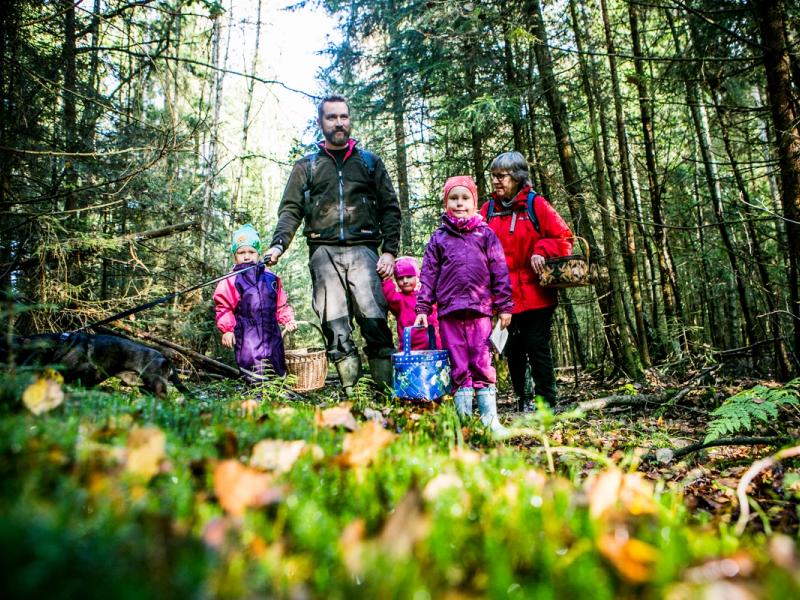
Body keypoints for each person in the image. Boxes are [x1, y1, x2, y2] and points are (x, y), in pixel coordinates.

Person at [264, 95, 401, 396]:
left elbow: (390, 208)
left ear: (349, 120)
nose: (339, 123)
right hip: (323, 253)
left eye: (343, 116)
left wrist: (390, 250)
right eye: (331, 117)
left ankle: (384, 396)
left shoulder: (369, 163)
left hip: (365, 251)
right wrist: (277, 246)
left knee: (375, 323)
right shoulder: (307, 166)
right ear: (320, 123)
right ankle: (356, 395)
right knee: (336, 328)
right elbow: (290, 210)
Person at [414, 176, 513, 437]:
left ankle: (490, 420)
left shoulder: (486, 234)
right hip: (449, 311)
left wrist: (504, 306)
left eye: (465, 198)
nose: (459, 203)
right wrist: (422, 308)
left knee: (482, 361)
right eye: (453, 199)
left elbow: (499, 271)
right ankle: (464, 421)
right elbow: (428, 274)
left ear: (474, 202)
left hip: (481, 310)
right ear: (446, 203)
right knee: (458, 365)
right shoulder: (438, 238)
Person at [479, 152, 572, 411]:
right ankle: (523, 400)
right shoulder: (487, 211)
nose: (496, 182)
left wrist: (542, 248)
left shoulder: (536, 205)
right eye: (493, 176)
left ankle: (546, 403)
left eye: (501, 176)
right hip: (504, 298)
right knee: (513, 351)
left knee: (537, 347)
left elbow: (564, 239)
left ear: (518, 177)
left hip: (536, 295)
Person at [214, 224, 298, 383]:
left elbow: (281, 304)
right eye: (241, 252)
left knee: (277, 364)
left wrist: (288, 319)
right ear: (235, 256)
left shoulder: (271, 278)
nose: (246, 256)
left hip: (271, 332)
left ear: (258, 254)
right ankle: (257, 394)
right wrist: (227, 329)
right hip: (247, 336)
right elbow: (224, 307)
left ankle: (279, 391)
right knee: (252, 367)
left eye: (251, 252)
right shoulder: (231, 280)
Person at [381, 256, 441, 351]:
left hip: (434, 347)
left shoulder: (427, 296)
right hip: (410, 351)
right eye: (400, 278)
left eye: (409, 276)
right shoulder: (400, 299)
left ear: (417, 276)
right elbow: (390, 296)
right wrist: (386, 279)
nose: (405, 281)